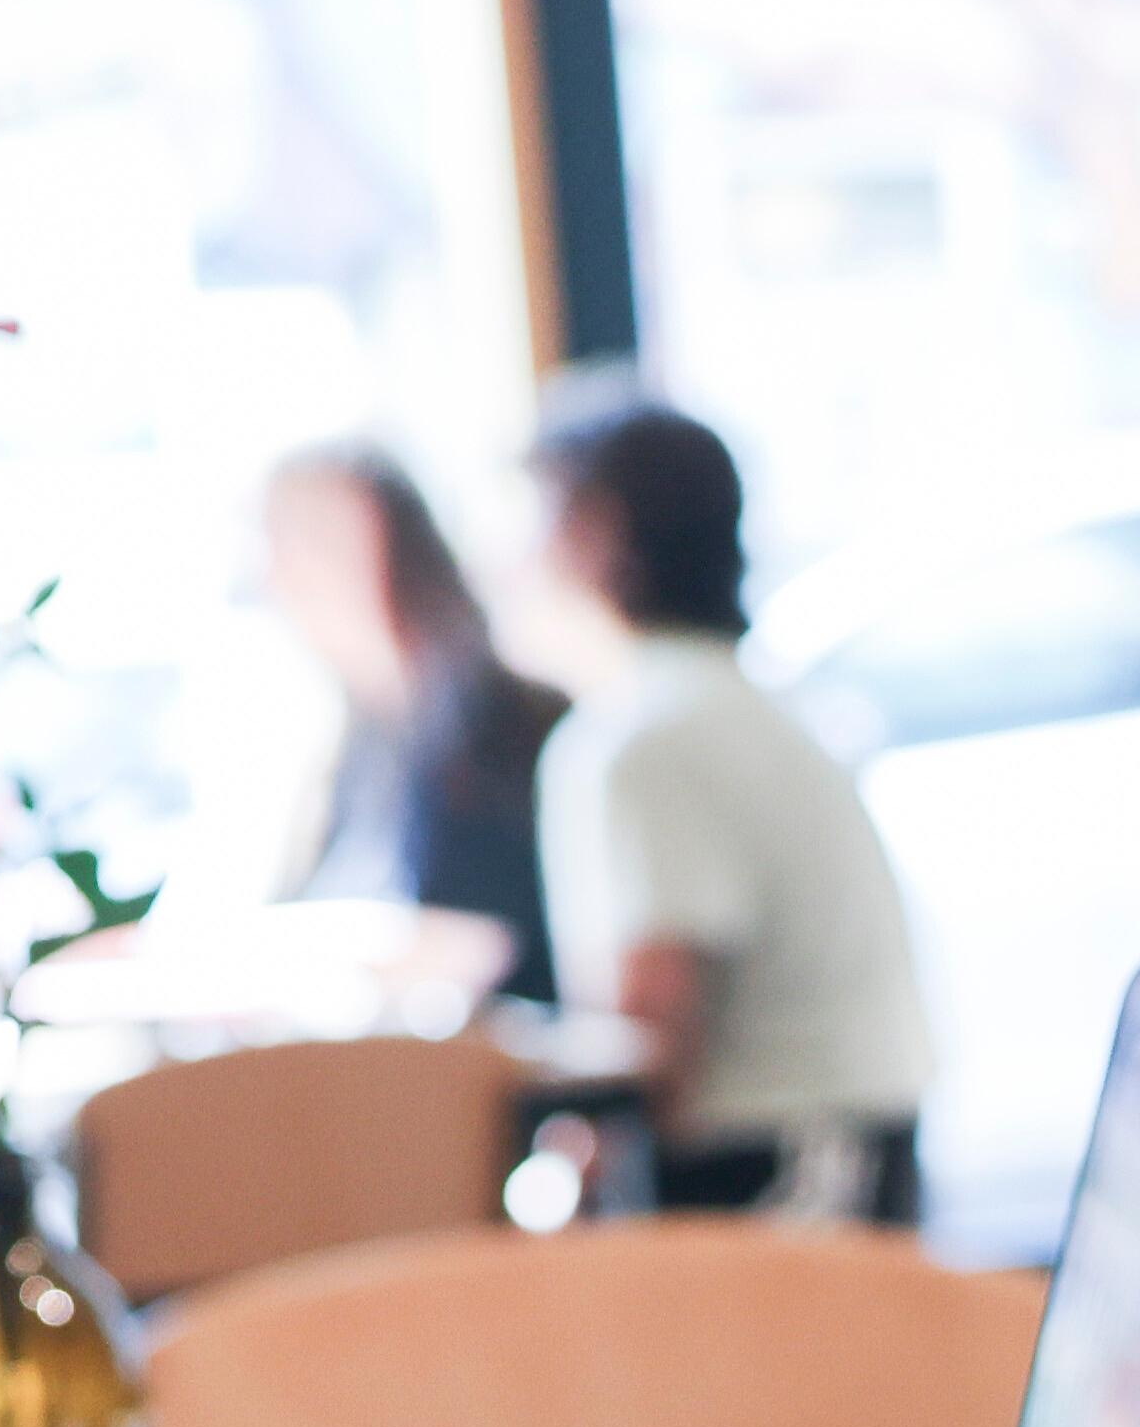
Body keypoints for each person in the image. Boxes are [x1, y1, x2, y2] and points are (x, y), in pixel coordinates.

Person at [519, 403, 939, 1228]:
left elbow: (654, 1010)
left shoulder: (642, 734)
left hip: (780, 1153)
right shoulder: (736, 700)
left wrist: (577, 1171)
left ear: (596, 534)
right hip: (848, 1135)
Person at [254, 444, 563, 989]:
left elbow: (492, 937)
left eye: (309, 539)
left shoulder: (498, 725)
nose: (282, 573)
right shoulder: (362, 735)